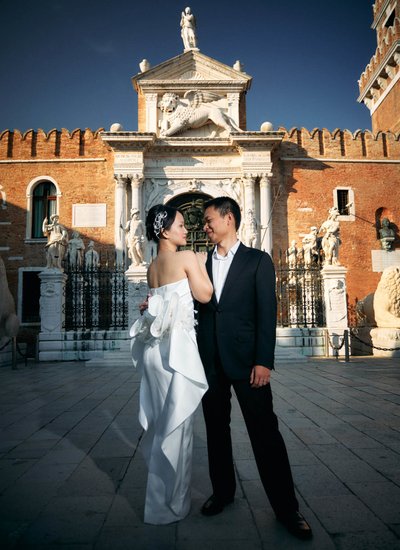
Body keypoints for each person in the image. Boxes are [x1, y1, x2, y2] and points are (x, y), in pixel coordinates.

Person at [196, 196, 312, 540]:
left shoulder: (258, 261)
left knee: (266, 435)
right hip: (211, 364)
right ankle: (223, 492)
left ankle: (287, 508)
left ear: (228, 219)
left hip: (249, 364)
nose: (204, 226)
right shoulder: (199, 263)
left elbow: (266, 312)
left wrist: (264, 360)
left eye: (208, 220)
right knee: (216, 432)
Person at [130, 204, 212, 524]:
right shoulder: (187, 257)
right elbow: (204, 295)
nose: (186, 229)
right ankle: (173, 504)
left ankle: (158, 502)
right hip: (176, 355)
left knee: (163, 426)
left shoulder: (152, 266)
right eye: (180, 225)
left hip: (154, 353)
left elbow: (157, 304)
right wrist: (202, 264)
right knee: (179, 429)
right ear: (165, 231)